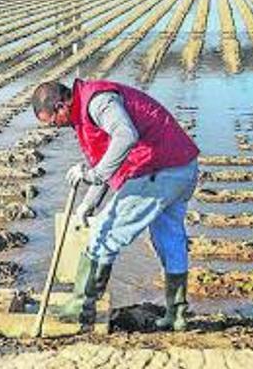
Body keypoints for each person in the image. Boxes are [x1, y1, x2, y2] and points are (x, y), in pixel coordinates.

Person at [31, 78, 200, 331]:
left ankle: (82, 307)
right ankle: (177, 315)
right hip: (181, 166)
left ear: (60, 106)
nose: (55, 127)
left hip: (157, 168)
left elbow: (125, 135)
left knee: (105, 232)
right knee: (169, 240)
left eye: (52, 121)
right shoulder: (87, 105)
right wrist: (88, 204)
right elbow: (109, 160)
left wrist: (93, 174)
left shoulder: (98, 102)